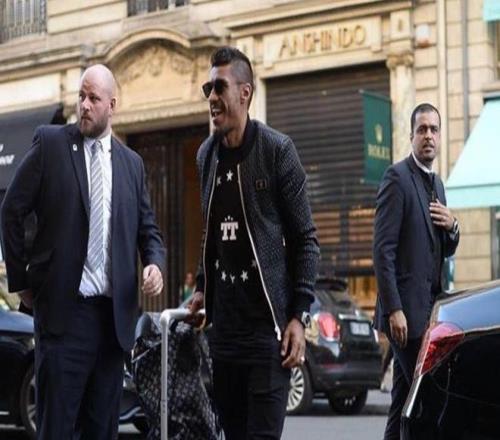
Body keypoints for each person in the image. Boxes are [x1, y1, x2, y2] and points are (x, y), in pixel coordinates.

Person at [0, 64, 166, 440]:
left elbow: (149, 231)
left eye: (93, 98)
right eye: (81, 96)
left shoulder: (132, 165)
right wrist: (21, 282)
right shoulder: (51, 144)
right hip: (64, 319)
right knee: (57, 430)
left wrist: (155, 263)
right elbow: (11, 209)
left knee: (102, 431)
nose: (85, 105)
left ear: (112, 105)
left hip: (112, 324)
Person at [188, 46, 320, 440]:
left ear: (245, 93)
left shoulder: (277, 151)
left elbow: (306, 240)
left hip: (267, 336)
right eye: (208, 88)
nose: (212, 97)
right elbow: (210, 234)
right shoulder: (206, 156)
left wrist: (298, 315)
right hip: (224, 336)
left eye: (220, 87)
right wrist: (201, 288)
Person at [373, 102, 460, 439]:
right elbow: (383, 251)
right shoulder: (397, 178)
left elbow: (444, 249)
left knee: (401, 403)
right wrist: (393, 308)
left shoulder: (438, 184)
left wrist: (453, 226)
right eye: (422, 129)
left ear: (440, 136)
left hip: (429, 314)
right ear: (411, 136)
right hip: (405, 316)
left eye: (434, 129)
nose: (428, 136)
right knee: (427, 401)